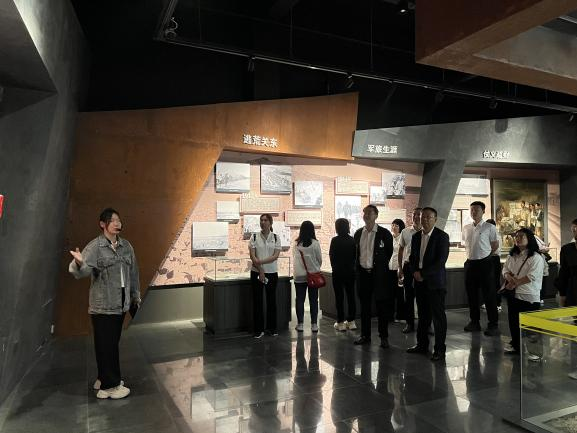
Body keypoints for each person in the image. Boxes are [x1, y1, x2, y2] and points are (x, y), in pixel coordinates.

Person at [69, 208, 140, 399]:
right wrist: (79, 263)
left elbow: (134, 273)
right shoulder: (95, 247)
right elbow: (81, 272)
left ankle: (103, 378)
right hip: (103, 304)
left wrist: (135, 295)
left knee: (109, 344)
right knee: (106, 345)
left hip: (121, 303)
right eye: (113, 220)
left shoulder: (126, 246)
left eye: (119, 220)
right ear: (102, 224)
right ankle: (110, 387)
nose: (117, 223)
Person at [406, 207, 449, 362]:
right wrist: (414, 272)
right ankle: (422, 345)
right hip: (419, 282)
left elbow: (440, 261)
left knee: (438, 317)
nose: (424, 219)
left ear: (435, 219)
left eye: (428, 217)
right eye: (422, 216)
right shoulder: (416, 236)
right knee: (423, 316)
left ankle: (439, 349)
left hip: (435, 283)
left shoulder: (442, 236)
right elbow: (412, 258)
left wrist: (423, 274)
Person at [353, 205, 394, 348]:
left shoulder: (384, 233)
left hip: (379, 275)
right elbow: (356, 253)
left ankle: (384, 337)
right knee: (365, 307)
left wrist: (379, 267)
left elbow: (388, 252)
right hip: (363, 275)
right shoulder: (358, 233)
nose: (366, 215)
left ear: (376, 215)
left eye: (369, 213)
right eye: (364, 212)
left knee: (381, 306)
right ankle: (365, 335)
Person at [501, 228, 545, 354]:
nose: (518, 238)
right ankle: (517, 346)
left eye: (521, 236)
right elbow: (505, 270)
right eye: (516, 236)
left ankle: (534, 352)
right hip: (513, 294)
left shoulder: (536, 257)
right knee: (514, 322)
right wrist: (508, 278)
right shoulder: (512, 255)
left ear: (529, 238)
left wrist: (513, 283)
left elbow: (532, 276)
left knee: (531, 326)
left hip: (528, 295)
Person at [461, 201, 500, 336]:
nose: (473, 212)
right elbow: (466, 244)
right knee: (471, 295)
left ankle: (493, 324)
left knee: (489, 294)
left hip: (485, 263)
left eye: (476, 210)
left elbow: (495, 245)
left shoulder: (490, 227)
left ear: (483, 211)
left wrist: (486, 256)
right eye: (471, 210)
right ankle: (474, 322)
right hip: (470, 263)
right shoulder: (466, 227)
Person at [249, 213, 282, 338]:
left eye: (265, 220)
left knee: (271, 301)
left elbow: (275, 256)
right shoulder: (254, 237)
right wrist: (260, 270)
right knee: (257, 301)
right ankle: (259, 329)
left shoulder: (276, 237)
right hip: (256, 272)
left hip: (272, 273)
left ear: (270, 222)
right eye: (261, 220)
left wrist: (260, 262)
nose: (263, 222)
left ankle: (272, 328)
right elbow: (252, 256)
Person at [293, 220, 323, 332]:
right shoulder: (315, 243)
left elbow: (295, 259)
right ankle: (314, 325)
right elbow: (319, 260)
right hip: (313, 276)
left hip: (299, 276)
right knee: (313, 300)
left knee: (300, 300)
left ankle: (300, 324)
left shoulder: (296, 244)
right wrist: (314, 267)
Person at [329, 218, 357, 331]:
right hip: (350, 272)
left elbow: (331, 256)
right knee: (351, 297)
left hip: (337, 273)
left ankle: (340, 322)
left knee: (339, 297)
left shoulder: (335, 240)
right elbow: (355, 256)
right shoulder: (352, 240)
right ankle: (351, 321)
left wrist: (335, 267)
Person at [397, 208, 422, 333]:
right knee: (408, 296)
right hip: (408, 266)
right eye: (414, 214)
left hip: (422, 267)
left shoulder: (426, 231)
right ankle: (409, 323)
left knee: (423, 296)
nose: (416, 217)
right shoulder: (405, 232)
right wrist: (400, 268)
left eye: (419, 214)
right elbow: (400, 250)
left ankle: (426, 324)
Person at [389, 218, 406, 323]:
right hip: (389, 269)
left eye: (396, 225)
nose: (394, 227)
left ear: (401, 227)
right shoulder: (389, 238)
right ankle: (390, 316)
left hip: (399, 269)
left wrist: (401, 269)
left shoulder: (402, 238)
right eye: (393, 225)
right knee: (390, 294)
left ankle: (401, 316)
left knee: (400, 294)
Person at [485, 218, 503, 312]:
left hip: (494, 259)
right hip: (489, 259)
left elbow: (494, 248)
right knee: (487, 282)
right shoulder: (489, 234)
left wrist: (486, 255)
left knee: (495, 282)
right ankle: (489, 302)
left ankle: (498, 303)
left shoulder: (496, 235)